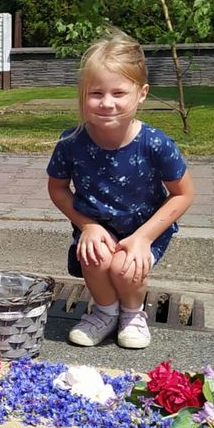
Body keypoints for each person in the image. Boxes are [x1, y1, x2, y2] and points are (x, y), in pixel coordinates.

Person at [46, 31, 194, 349]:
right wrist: (87, 225)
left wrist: (143, 238)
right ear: (82, 94)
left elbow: (183, 193)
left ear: (141, 94)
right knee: (95, 257)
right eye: (96, 93)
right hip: (96, 224)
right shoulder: (71, 142)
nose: (107, 103)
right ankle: (105, 311)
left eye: (119, 93)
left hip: (144, 229)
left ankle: (132, 312)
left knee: (125, 268)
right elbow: (57, 188)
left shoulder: (155, 143)